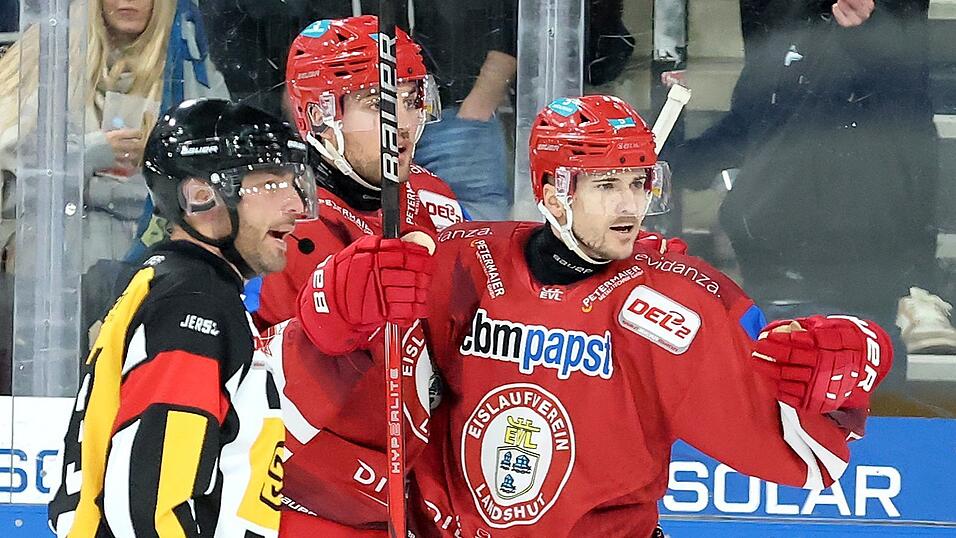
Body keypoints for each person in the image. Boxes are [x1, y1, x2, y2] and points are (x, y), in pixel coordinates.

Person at [293, 95, 894, 536]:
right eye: (607, 185)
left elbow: (804, 431)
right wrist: (338, 299)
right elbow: (330, 355)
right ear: (554, 190)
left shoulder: (673, 300)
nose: (631, 205)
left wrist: (856, 358)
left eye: (640, 183)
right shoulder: (463, 262)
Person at [47, 98, 317, 537]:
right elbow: (151, 508)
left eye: (293, 184)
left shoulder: (180, 286)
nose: (296, 205)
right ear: (200, 196)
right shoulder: (194, 303)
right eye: (270, 183)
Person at [253, 14, 463, 326]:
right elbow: (274, 349)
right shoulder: (286, 227)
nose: (403, 124)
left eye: (410, 101)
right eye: (378, 105)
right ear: (319, 116)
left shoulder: (431, 190)